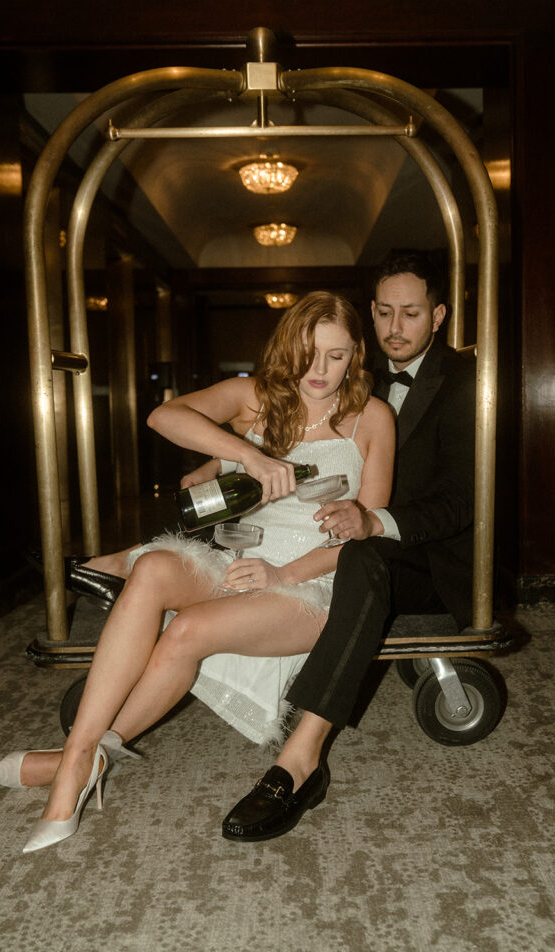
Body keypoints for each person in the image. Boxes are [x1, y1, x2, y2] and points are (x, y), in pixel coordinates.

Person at [0, 291, 395, 853]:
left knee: (185, 630)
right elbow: (164, 415)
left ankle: (74, 765)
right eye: (308, 352)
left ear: (356, 355)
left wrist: (282, 575)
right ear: (287, 347)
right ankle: (78, 759)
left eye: (336, 355)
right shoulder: (256, 398)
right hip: (240, 554)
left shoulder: (373, 417)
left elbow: (366, 532)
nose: (318, 370)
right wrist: (249, 455)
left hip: (312, 578)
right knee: (153, 566)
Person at [221, 250, 477, 842]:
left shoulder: (467, 384)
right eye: (385, 312)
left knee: (360, 556)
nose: (395, 328)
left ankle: (300, 758)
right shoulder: (345, 370)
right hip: (332, 534)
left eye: (410, 314)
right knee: (225, 507)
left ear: (437, 316)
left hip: (422, 554)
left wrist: (374, 521)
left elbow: (463, 503)